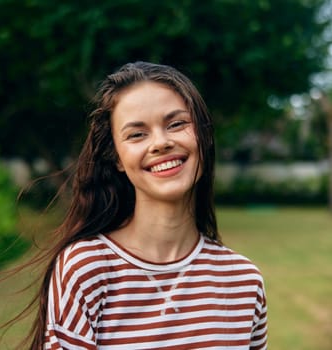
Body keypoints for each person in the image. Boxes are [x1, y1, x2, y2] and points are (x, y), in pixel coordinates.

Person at [25, 61, 267, 349]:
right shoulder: (86, 269)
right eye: (137, 134)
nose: (161, 143)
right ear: (116, 158)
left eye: (176, 124)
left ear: (204, 136)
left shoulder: (244, 281)